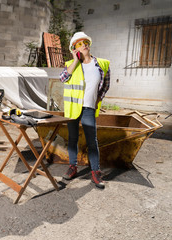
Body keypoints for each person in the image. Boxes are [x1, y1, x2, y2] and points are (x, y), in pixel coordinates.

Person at [59, 32, 110, 189]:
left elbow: (106, 84)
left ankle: (95, 172)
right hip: (73, 108)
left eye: (86, 42)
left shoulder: (101, 64)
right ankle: (73, 167)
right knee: (72, 139)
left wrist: (98, 99)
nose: (84, 45)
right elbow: (63, 78)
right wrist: (75, 60)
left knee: (91, 141)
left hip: (88, 108)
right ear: (74, 48)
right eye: (80, 44)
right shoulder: (71, 64)